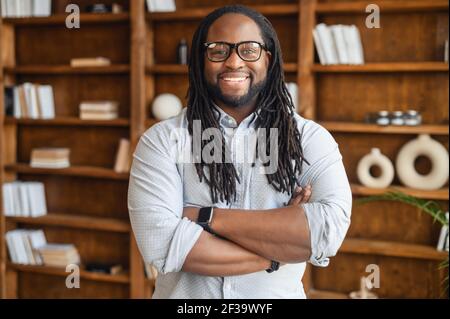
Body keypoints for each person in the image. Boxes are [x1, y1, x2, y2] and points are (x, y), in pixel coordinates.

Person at [128, 5, 352, 299]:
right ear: (200, 60)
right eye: (218, 50)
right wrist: (277, 252)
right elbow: (162, 245)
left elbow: (327, 233)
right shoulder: (161, 141)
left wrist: (203, 216)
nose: (234, 61)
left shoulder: (309, 140)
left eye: (249, 49)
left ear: (267, 59)